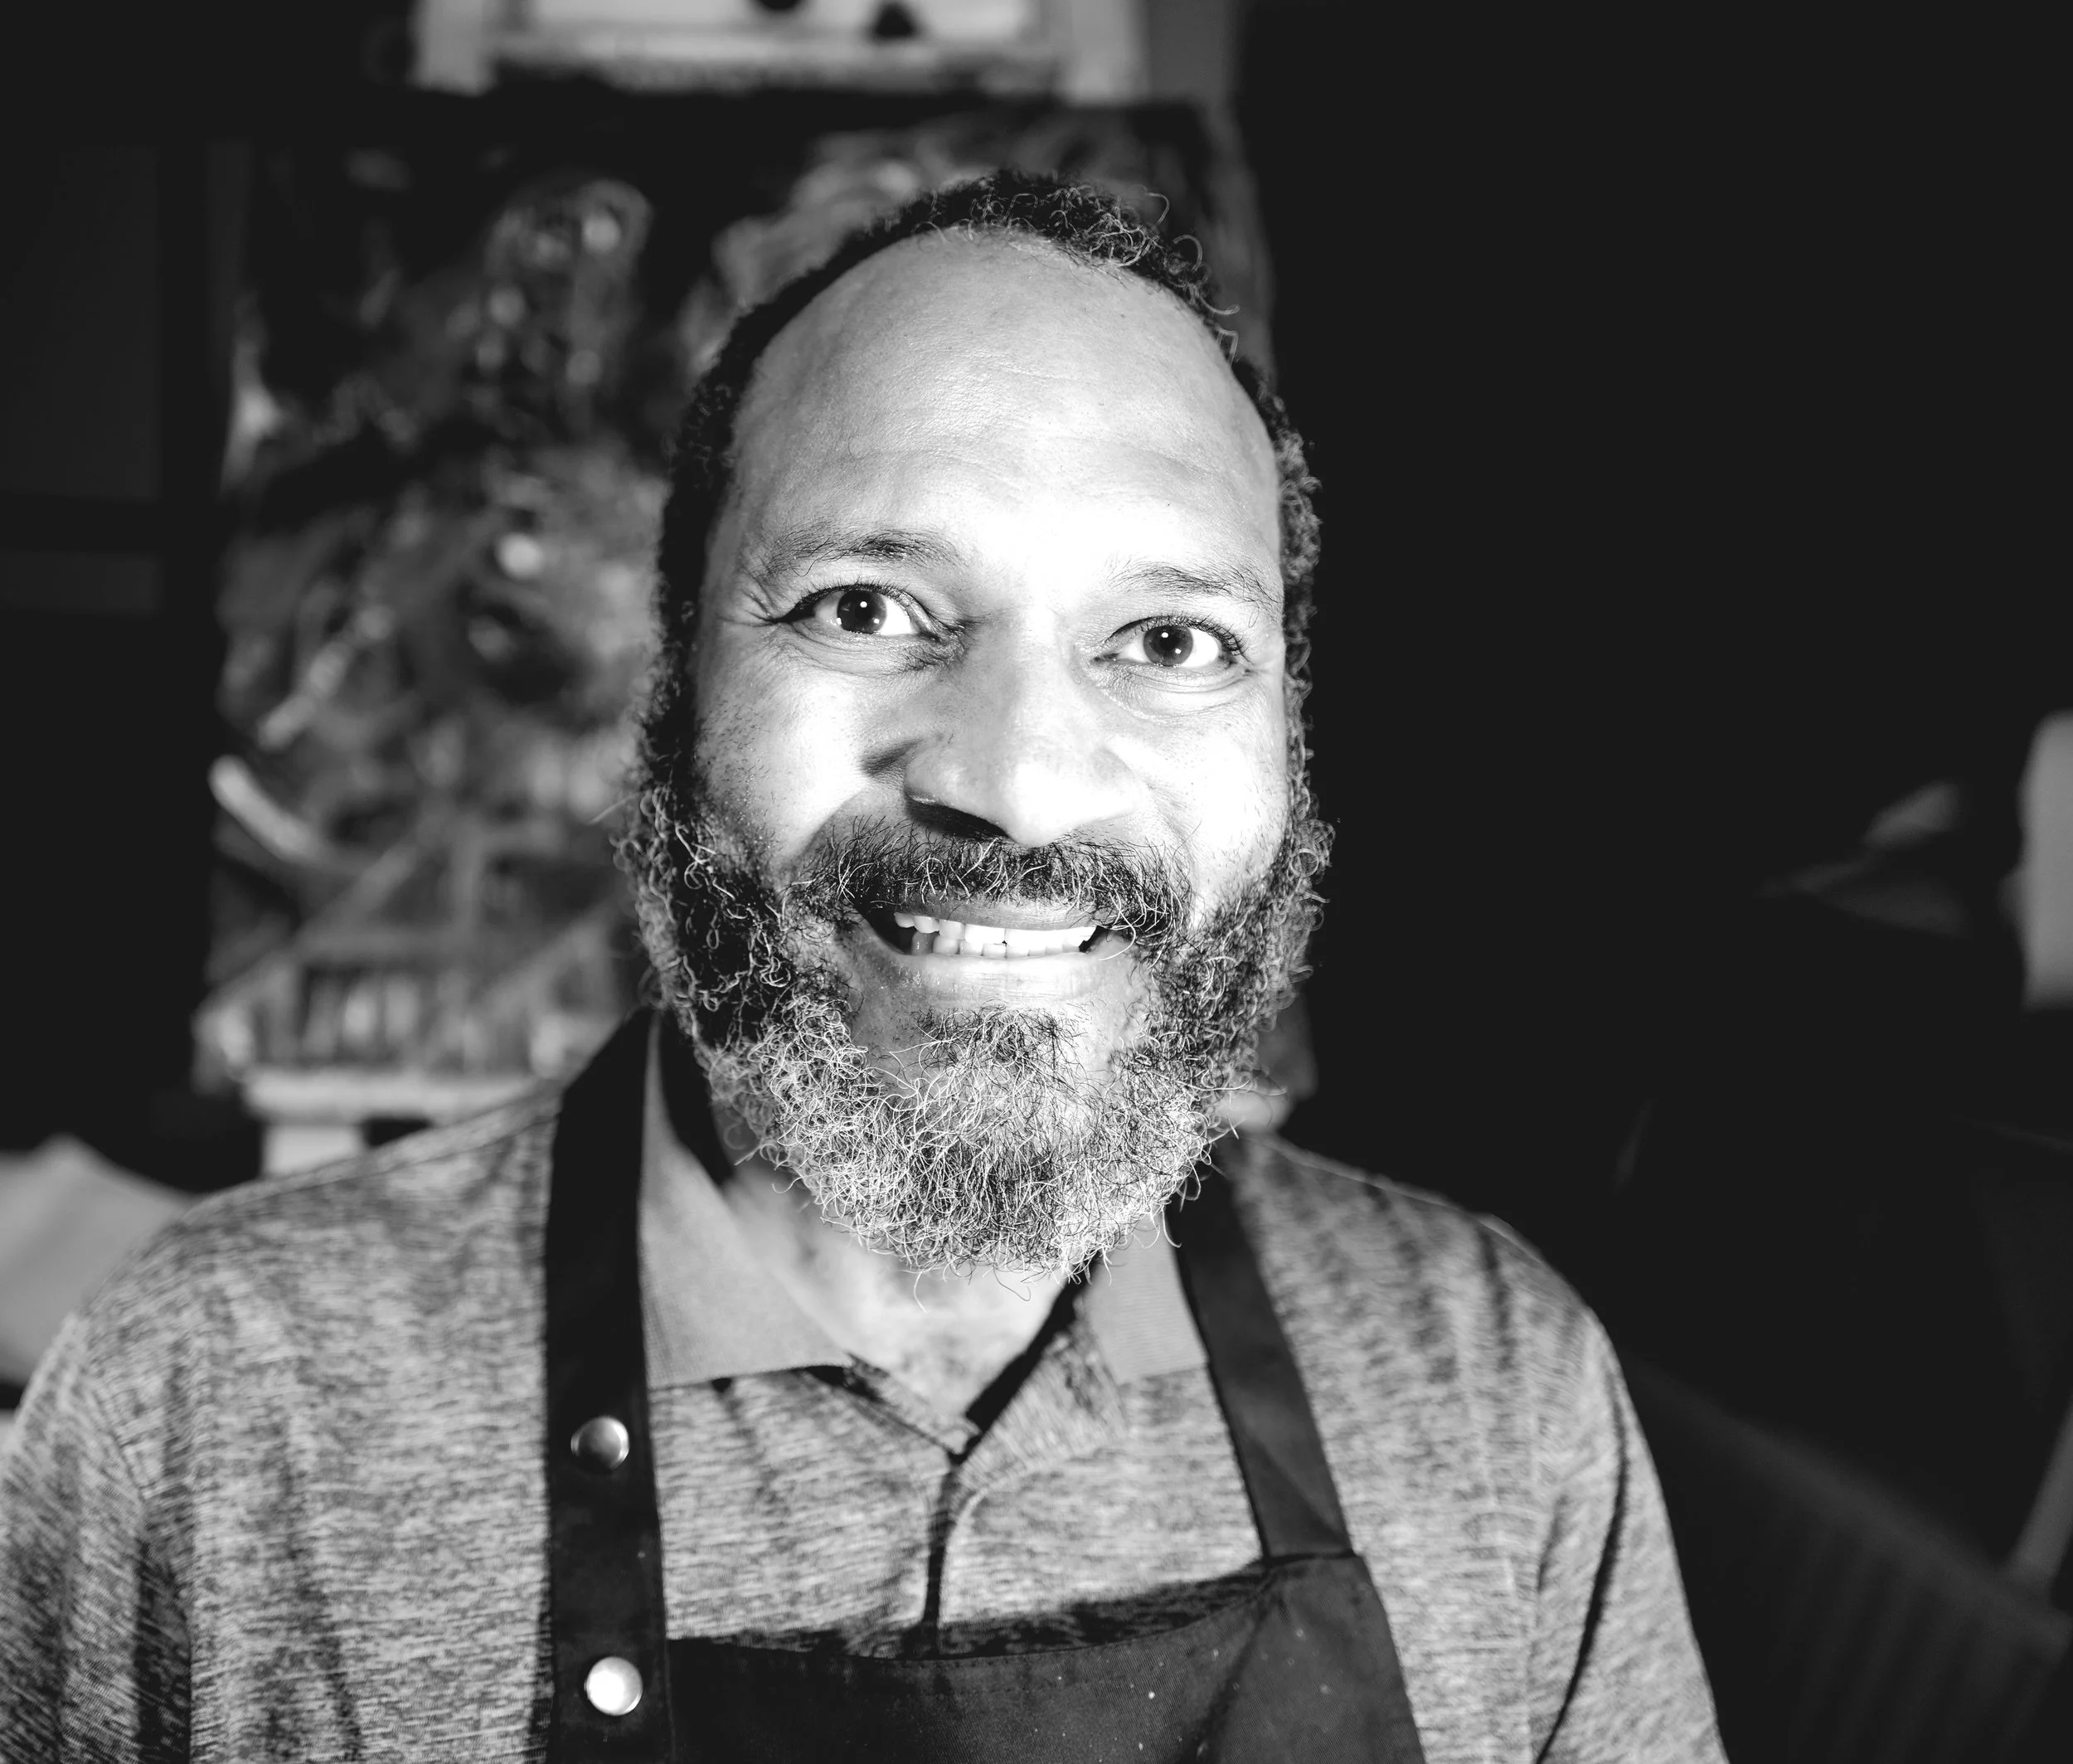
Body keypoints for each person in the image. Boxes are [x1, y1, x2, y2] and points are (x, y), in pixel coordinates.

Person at [0, 173, 1724, 1763]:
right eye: (863, 608)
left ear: (1284, 733)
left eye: (1168, 640)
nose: (1019, 777)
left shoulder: (1497, 1392)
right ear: (672, 691)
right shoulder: (216, 1414)